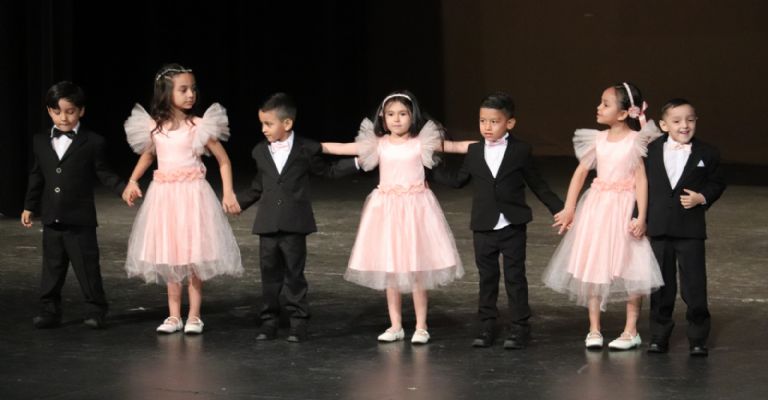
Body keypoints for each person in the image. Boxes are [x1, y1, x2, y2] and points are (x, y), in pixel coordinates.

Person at [322, 90, 470, 344]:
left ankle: (421, 326)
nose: (397, 119)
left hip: (417, 210)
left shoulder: (421, 142)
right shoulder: (378, 144)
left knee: (416, 269)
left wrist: (492, 144)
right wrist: (307, 146)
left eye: (403, 114)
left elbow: (456, 146)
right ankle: (395, 325)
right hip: (386, 211)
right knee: (391, 268)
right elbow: (344, 148)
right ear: (382, 116)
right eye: (391, 114)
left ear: (413, 116)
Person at [431, 92, 564, 349]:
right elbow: (458, 180)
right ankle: (486, 326)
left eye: (494, 121)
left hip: (512, 224)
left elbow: (538, 184)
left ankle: (520, 328)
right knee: (487, 278)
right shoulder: (474, 151)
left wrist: (559, 209)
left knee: (515, 277)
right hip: (483, 225)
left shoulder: (521, 150)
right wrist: (432, 168)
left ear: (509, 123)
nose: (487, 127)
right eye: (483, 121)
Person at [122, 63, 243, 334]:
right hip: (165, 200)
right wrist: (132, 180)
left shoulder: (198, 126)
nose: (191, 94)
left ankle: (195, 315)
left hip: (192, 198)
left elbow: (223, 160)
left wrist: (227, 192)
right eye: (183, 89)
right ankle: (174, 315)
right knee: (171, 253)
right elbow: (149, 154)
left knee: (192, 255)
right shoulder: (155, 128)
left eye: (193, 89)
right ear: (166, 93)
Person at [542, 82, 664, 350]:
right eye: (600, 102)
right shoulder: (597, 139)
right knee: (593, 264)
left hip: (624, 207)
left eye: (605, 104)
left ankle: (631, 330)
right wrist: (570, 207)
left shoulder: (636, 140)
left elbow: (642, 180)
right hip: (597, 208)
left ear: (623, 113)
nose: (599, 107)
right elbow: (581, 173)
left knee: (632, 266)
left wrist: (641, 216)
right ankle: (594, 328)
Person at [236, 92, 358, 343]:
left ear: (287, 123)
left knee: (294, 274)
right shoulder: (260, 151)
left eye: (268, 124)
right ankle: (269, 321)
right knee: (269, 275)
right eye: (262, 124)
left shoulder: (304, 149)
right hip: (268, 224)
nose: (263, 129)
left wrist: (357, 163)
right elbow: (259, 185)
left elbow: (329, 171)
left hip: (294, 223)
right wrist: (239, 203)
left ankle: (298, 322)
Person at [22, 81, 126, 329]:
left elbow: (104, 173)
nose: (63, 117)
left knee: (87, 267)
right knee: (52, 268)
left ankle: (95, 309)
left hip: (80, 219)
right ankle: (49, 310)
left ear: (81, 111)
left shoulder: (92, 141)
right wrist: (29, 206)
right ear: (49, 111)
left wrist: (124, 188)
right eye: (57, 111)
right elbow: (37, 175)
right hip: (51, 217)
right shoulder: (40, 141)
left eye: (69, 111)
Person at [644, 98, 726, 357]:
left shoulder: (707, 152)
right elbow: (641, 187)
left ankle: (698, 337)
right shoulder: (650, 150)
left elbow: (717, 182)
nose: (684, 125)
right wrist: (638, 218)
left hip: (690, 229)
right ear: (663, 125)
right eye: (677, 121)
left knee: (694, 285)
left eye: (690, 120)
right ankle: (659, 335)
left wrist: (701, 197)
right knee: (660, 286)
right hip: (658, 227)